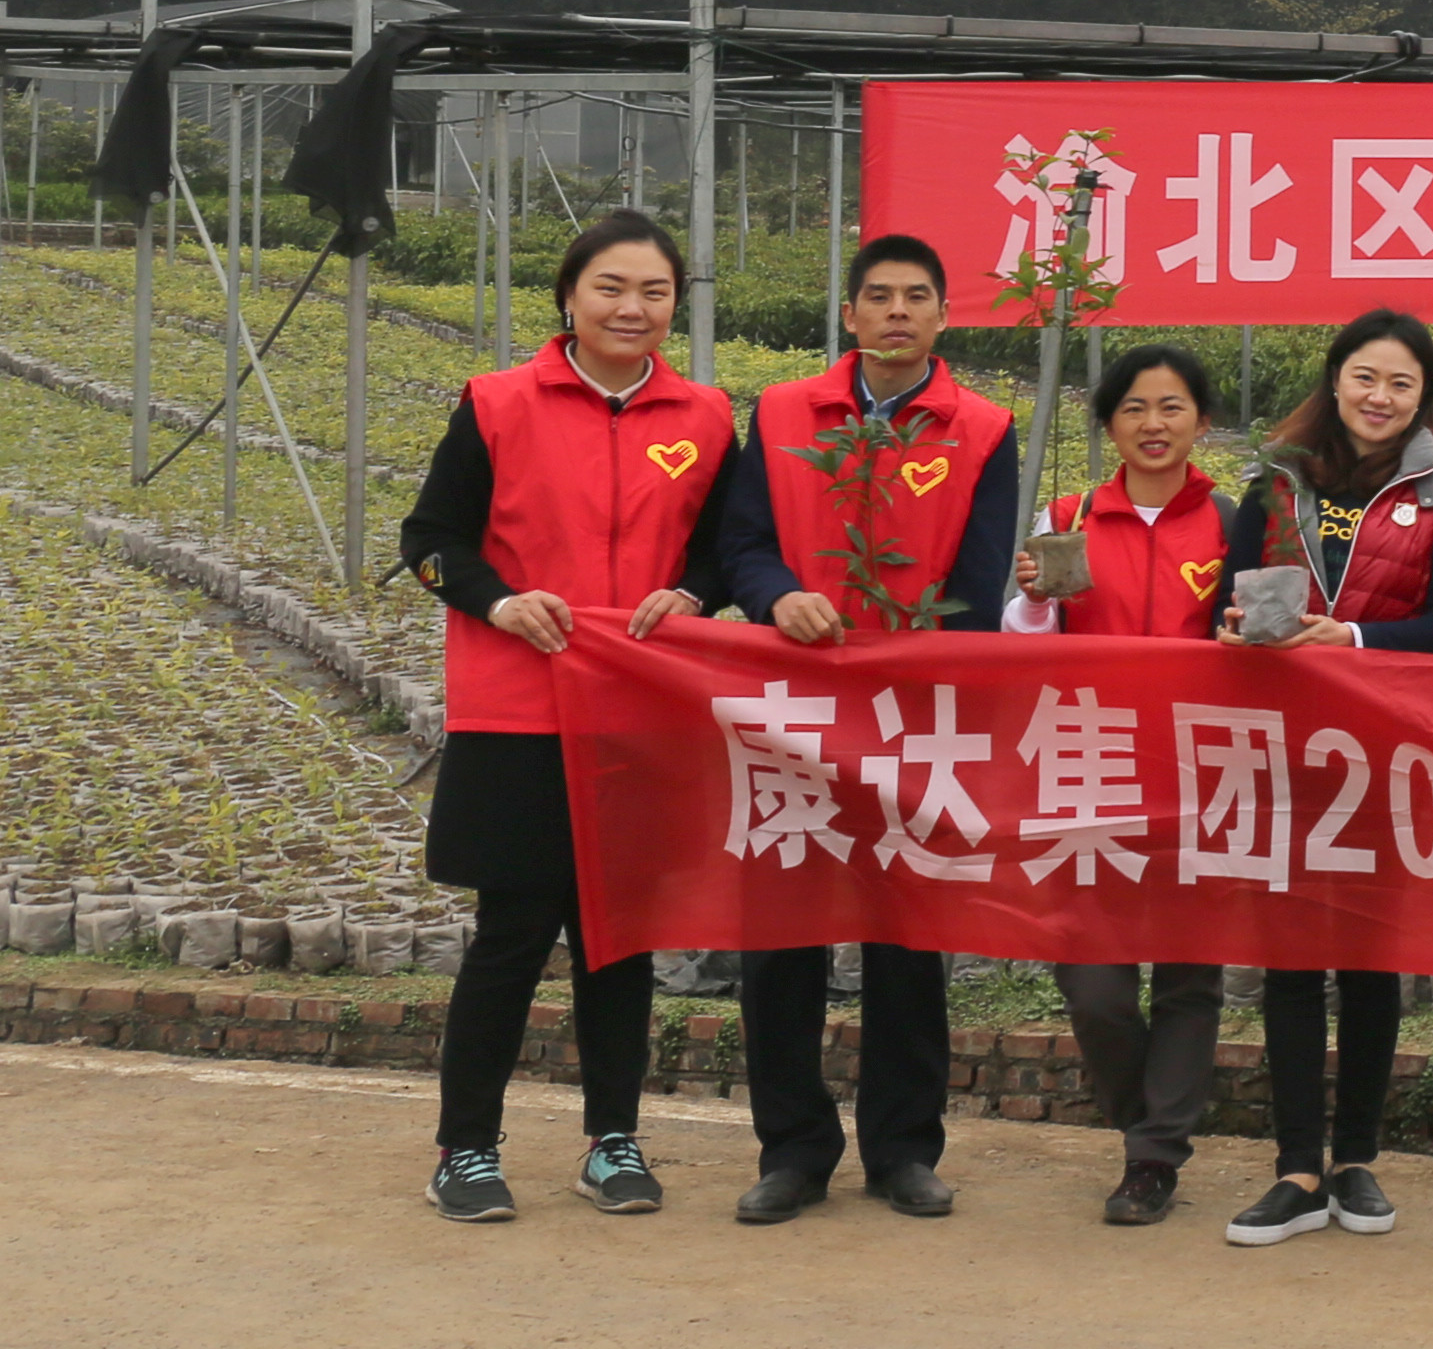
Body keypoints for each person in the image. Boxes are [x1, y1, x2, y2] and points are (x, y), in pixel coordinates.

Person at [399, 211, 735, 1223]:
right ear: (569, 297)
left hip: (642, 714)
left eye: (654, 292)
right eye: (610, 289)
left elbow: (724, 550)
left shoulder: (708, 418)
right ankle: (465, 1149)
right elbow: (430, 538)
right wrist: (499, 599)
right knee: (512, 931)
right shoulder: (498, 403)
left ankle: (613, 1138)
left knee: (619, 939)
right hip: (519, 709)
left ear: (676, 304)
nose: (632, 309)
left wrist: (693, 594)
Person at [704, 232, 1022, 1226]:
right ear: (849, 315)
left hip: (910, 714)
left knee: (905, 933)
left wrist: (919, 662)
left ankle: (902, 1148)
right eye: (877, 296)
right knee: (782, 936)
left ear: (941, 316)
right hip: (793, 707)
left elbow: (978, 581)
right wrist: (780, 596)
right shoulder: (788, 413)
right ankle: (793, 1147)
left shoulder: (981, 426)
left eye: (915, 297)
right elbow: (743, 543)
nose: (895, 312)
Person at [1216, 305, 1433, 1246]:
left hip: (1385, 747)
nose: (1380, 397)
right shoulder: (1275, 483)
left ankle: (1357, 1162)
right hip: (1283, 747)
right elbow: (1227, 598)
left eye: (1401, 383)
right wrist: (1231, 631)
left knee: (1370, 960)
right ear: (1335, 382)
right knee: (1290, 960)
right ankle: (1296, 1169)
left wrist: (1358, 637)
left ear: (1422, 401)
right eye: (1366, 377)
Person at [999, 340, 1255, 1226]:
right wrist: (1034, 595)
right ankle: (1142, 1117)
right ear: (1109, 422)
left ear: (1202, 422)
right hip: (1088, 769)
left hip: (1196, 775)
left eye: (1173, 407)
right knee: (1095, 981)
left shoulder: (1228, 521)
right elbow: (1022, 641)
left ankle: (1152, 1158)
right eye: (1136, 408)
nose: (1154, 423)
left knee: (1189, 977)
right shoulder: (1067, 515)